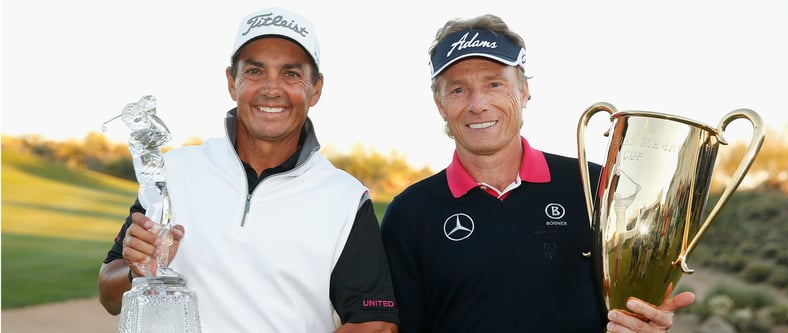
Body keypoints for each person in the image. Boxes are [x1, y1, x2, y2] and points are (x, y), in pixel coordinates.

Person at [379, 14, 695, 333]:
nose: (478, 104)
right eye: (458, 89)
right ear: (439, 103)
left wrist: (642, 322)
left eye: (494, 84)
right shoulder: (408, 215)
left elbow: (626, 305)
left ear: (524, 91)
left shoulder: (595, 187)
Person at [97, 7, 399, 332]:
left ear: (316, 88)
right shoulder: (173, 172)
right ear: (232, 81)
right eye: (255, 71)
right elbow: (109, 293)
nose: (271, 89)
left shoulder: (345, 199)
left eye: (291, 74)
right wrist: (136, 272)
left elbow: (376, 324)